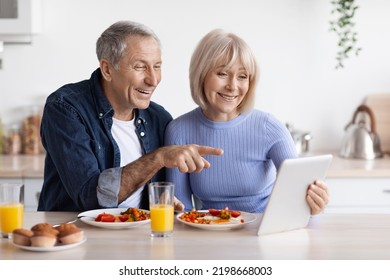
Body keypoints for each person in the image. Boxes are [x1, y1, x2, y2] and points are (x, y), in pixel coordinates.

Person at [37, 21, 223, 212]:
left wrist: (166, 201)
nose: (153, 80)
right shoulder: (66, 108)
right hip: (74, 234)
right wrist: (158, 158)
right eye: (140, 67)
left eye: (157, 66)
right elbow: (90, 197)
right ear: (107, 70)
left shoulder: (159, 118)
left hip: (139, 234)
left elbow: (161, 191)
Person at [165, 29, 329, 214]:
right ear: (201, 75)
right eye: (222, 73)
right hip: (208, 232)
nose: (232, 86)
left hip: (264, 230)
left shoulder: (269, 127)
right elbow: (181, 211)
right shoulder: (179, 131)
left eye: (242, 76)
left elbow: (298, 197)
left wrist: (314, 203)